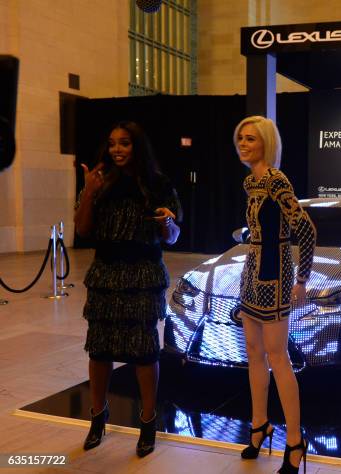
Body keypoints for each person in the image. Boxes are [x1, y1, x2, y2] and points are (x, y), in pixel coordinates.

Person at [74, 121, 181, 457]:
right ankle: (97, 417)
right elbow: (82, 228)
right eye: (112, 144)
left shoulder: (156, 184)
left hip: (143, 275)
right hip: (106, 274)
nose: (117, 150)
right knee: (99, 349)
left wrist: (167, 222)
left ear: (137, 146)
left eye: (124, 144)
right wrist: (89, 192)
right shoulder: (99, 180)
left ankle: (148, 421)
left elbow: (174, 236)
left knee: (144, 351)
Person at [234, 116, 316, 474]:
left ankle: (295, 440)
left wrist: (302, 279)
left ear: (266, 142)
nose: (243, 143)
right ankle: (259, 425)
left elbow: (306, 230)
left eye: (250, 138)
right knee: (253, 354)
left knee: (277, 357)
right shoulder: (251, 182)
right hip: (252, 275)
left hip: (276, 278)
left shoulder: (275, 181)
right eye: (240, 138)